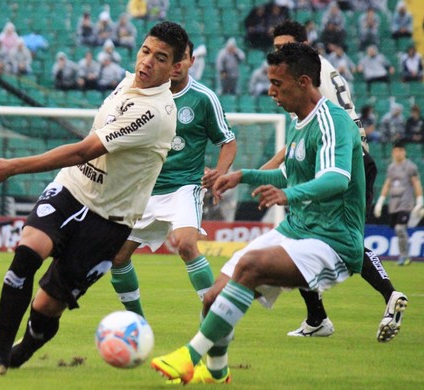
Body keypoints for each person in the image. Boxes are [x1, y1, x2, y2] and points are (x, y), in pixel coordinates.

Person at [0, 21, 187, 377]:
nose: (147, 62)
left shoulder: (155, 113)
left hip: (109, 219)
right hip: (71, 190)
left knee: (46, 307)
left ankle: (21, 352)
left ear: (174, 68)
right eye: (145, 51)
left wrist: (13, 166)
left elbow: (85, 149)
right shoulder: (127, 81)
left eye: (160, 58)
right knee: (26, 253)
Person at [151, 42, 368, 384]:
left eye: (277, 84)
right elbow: (289, 175)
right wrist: (243, 175)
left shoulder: (333, 121)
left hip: (333, 239)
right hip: (298, 230)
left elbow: (336, 178)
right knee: (212, 296)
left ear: (304, 82)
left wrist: (288, 194)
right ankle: (218, 370)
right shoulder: (301, 123)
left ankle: (189, 355)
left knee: (251, 266)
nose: (270, 92)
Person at [265, 20, 406, 342]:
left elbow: (317, 129)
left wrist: (271, 165)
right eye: (276, 48)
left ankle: (379, 297)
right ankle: (318, 317)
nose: (279, 53)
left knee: (314, 235)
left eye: (286, 47)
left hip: (341, 162)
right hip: (344, 157)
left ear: (303, 46)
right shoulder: (322, 70)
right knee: (311, 234)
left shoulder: (305, 79)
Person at [109, 40, 237, 318]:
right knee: (117, 257)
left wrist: (220, 172)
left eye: (183, 59)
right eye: (173, 59)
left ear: (191, 61)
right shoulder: (140, 92)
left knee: (186, 244)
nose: (177, 65)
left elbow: (228, 141)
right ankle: (137, 321)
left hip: (184, 186)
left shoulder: (203, 98)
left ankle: (215, 321)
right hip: (144, 188)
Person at [374, 141, 423, 265]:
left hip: (406, 203)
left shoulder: (410, 167)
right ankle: (404, 254)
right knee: (397, 230)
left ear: (404, 152)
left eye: (400, 151)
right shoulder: (392, 167)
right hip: (394, 204)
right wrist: (380, 201)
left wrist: (419, 200)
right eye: (395, 151)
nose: (397, 153)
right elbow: (387, 184)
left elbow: (416, 183)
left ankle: (405, 256)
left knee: (400, 228)